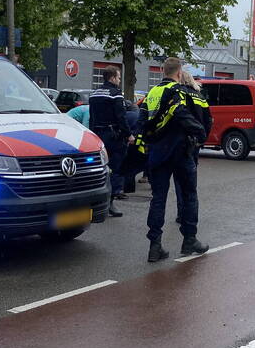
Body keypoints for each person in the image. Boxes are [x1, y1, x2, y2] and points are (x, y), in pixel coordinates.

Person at [141, 57, 209, 262]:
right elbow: (192, 116)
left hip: (157, 153)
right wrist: (200, 134)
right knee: (189, 195)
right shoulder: (182, 91)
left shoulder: (151, 93)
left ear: (163, 71)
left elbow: (141, 121)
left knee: (158, 198)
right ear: (179, 73)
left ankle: (155, 246)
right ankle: (189, 240)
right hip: (181, 151)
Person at [88, 66, 132, 217]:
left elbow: (92, 117)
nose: (119, 80)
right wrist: (128, 135)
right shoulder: (115, 94)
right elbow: (121, 117)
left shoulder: (94, 94)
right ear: (112, 78)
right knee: (116, 168)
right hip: (114, 136)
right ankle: (110, 202)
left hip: (98, 135)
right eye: (119, 78)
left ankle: (96, 202)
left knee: (100, 168)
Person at [174, 70, 212, 224]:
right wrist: (202, 139)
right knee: (191, 179)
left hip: (182, 142)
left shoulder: (180, 95)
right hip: (195, 143)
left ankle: (181, 213)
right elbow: (209, 120)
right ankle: (190, 214)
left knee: (178, 179)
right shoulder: (200, 96)